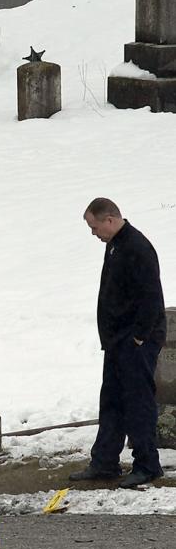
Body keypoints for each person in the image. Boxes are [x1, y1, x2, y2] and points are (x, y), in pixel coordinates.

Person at [69, 198, 166, 488]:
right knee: (111, 400)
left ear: (109, 219)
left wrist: (139, 335)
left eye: (94, 226)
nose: (93, 233)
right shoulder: (115, 246)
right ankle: (105, 462)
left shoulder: (137, 247)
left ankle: (148, 464)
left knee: (138, 402)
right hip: (117, 340)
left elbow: (151, 296)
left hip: (136, 340)